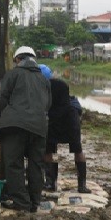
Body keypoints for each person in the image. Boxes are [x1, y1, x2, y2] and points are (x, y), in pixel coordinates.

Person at [0, 45, 51, 213]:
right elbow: (48, 104)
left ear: (18, 59)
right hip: (39, 127)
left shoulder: (13, 74)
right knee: (36, 165)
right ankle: (34, 202)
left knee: (14, 163)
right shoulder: (44, 80)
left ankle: (21, 202)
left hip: (14, 125)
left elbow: (2, 98)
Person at [38, 64, 91, 194]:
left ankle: (81, 185)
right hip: (53, 119)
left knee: (76, 149)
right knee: (48, 149)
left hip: (69, 119)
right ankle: (51, 182)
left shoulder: (59, 86)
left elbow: (62, 107)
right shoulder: (40, 87)